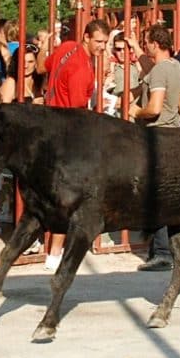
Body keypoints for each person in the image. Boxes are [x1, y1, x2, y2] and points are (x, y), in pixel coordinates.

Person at [37, 18, 110, 270]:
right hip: (69, 134)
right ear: (86, 38)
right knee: (68, 195)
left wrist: (46, 46)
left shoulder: (66, 47)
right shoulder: (83, 69)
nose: (102, 47)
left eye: (105, 42)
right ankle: (56, 251)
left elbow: (41, 67)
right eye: (98, 41)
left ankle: (49, 243)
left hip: (50, 125)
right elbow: (80, 111)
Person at [129, 25, 180, 272]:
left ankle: (162, 253)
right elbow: (153, 72)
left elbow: (155, 108)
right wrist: (136, 48)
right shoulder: (174, 65)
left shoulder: (161, 70)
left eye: (146, 42)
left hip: (158, 136)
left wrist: (135, 111)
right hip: (172, 136)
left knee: (155, 196)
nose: (146, 45)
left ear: (154, 43)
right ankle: (167, 249)